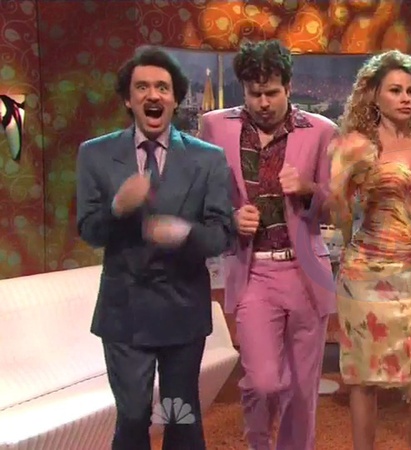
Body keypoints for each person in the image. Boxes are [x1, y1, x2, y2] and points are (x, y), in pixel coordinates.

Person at [75, 46, 234, 450]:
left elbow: (221, 236)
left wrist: (183, 233)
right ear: (128, 99)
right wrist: (117, 208)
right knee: (132, 416)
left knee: (180, 416)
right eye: (142, 87)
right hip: (124, 311)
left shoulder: (209, 160)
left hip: (182, 308)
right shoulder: (95, 154)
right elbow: (90, 231)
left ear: (176, 98)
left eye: (162, 87)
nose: (153, 95)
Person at [198, 39, 336, 450]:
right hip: (253, 270)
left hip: (305, 271)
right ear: (243, 89)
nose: (263, 103)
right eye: (254, 93)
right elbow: (202, 198)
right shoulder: (215, 127)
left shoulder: (322, 130)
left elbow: (337, 207)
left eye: (272, 92)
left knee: (303, 390)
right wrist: (230, 218)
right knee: (263, 381)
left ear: (288, 87)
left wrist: (309, 189)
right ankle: (259, 441)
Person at [327, 49, 411, 450]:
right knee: (366, 378)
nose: (405, 98)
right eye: (395, 90)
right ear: (374, 95)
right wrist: (340, 183)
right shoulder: (358, 145)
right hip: (368, 274)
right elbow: (337, 213)